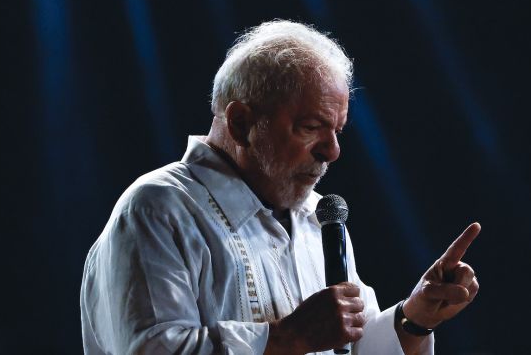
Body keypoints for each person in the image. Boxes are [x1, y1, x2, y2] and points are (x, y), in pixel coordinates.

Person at [80, 20, 480, 354]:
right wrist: (290, 337)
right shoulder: (158, 209)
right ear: (240, 123)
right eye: (310, 128)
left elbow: (350, 348)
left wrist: (415, 318)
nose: (332, 151)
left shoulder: (317, 218)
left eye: (337, 130)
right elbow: (148, 349)